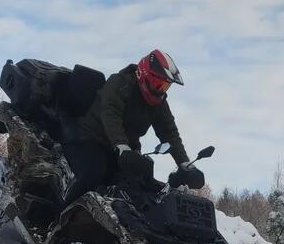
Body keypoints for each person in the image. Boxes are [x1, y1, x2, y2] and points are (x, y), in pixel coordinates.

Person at [62, 49, 202, 203]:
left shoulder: (159, 103)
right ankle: (56, 218)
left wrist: (185, 164)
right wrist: (121, 145)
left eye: (165, 86)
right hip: (89, 139)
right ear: (144, 74)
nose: (160, 90)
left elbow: (169, 132)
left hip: (123, 152)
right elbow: (110, 114)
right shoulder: (120, 83)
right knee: (92, 173)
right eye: (158, 83)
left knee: (145, 186)